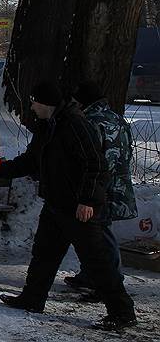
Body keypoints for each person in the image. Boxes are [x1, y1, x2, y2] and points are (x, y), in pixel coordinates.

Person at [0, 81, 136, 332]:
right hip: (55, 203)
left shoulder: (75, 125)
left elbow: (96, 166)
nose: (31, 105)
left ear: (45, 103)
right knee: (44, 254)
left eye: (33, 101)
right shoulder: (47, 126)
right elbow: (31, 160)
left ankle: (122, 311)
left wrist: (88, 201)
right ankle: (32, 299)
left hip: (78, 207)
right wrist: (0, 169)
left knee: (97, 262)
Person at [66, 81, 138, 295]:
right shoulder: (116, 118)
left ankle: (110, 280)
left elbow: (93, 161)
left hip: (100, 187)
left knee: (101, 234)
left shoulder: (90, 122)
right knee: (95, 232)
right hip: (116, 184)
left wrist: (86, 191)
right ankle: (91, 275)